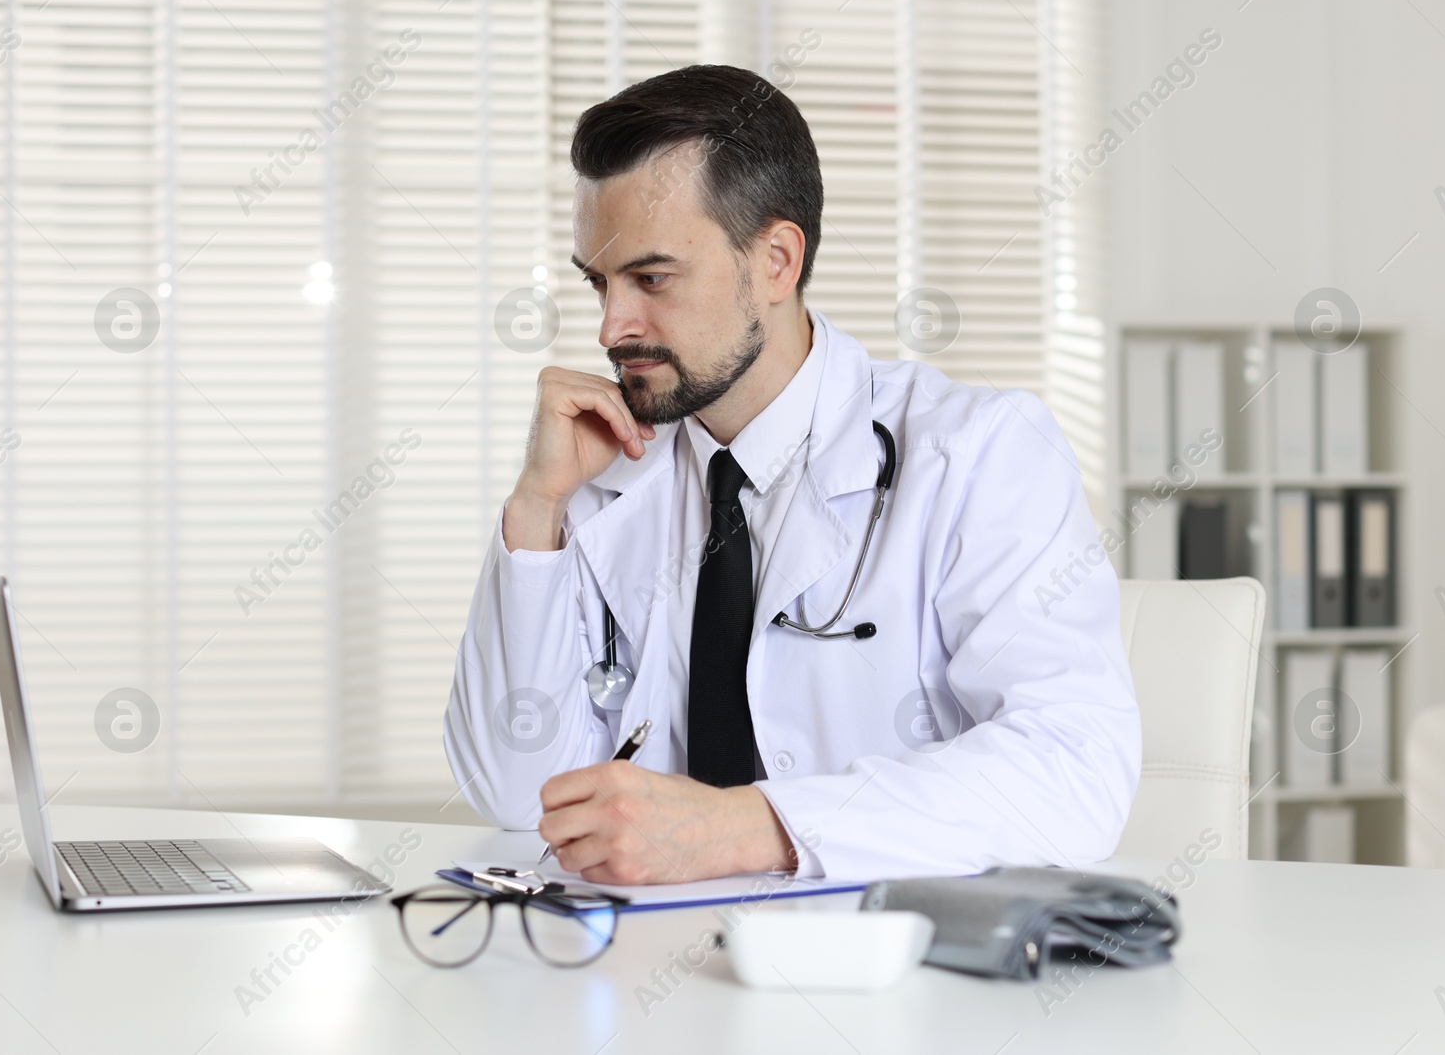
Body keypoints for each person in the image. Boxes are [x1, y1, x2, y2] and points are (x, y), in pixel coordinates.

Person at [443, 64, 1139, 885]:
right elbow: (518, 795)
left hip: (894, 976)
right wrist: (536, 512)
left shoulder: (976, 453)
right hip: (654, 968)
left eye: (651, 278)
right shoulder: (601, 474)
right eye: (598, 282)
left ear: (776, 261)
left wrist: (751, 828)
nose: (611, 328)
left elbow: (1075, 770)